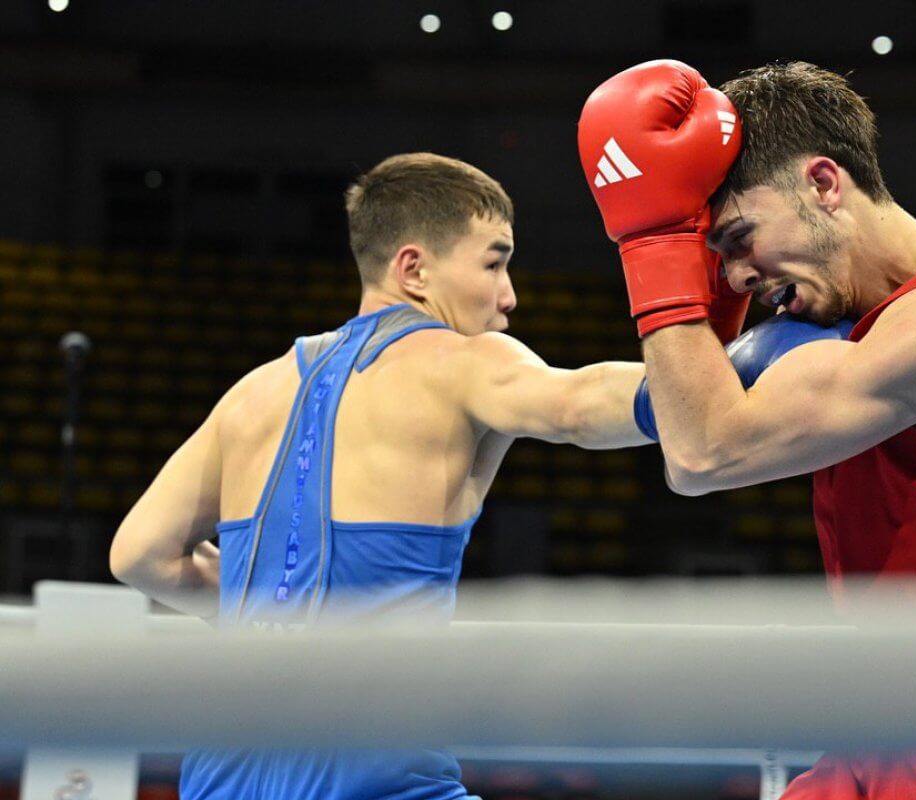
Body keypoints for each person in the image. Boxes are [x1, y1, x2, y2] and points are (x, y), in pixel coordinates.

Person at [578, 59, 916, 799]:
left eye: (739, 237)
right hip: (885, 720)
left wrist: (651, 248)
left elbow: (704, 452)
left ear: (825, 184)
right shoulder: (837, 328)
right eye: (717, 256)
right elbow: (658, 427)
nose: (735, 276)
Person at [108, 152, 651, 800]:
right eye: (494, 262)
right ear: (414, 269)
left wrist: (265, 615)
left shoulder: (253, 392)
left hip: (220, 779)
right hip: (374, 780)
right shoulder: (462, 362)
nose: (510, 296)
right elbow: (580, 406)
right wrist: (733, 373)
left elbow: (139, 554)